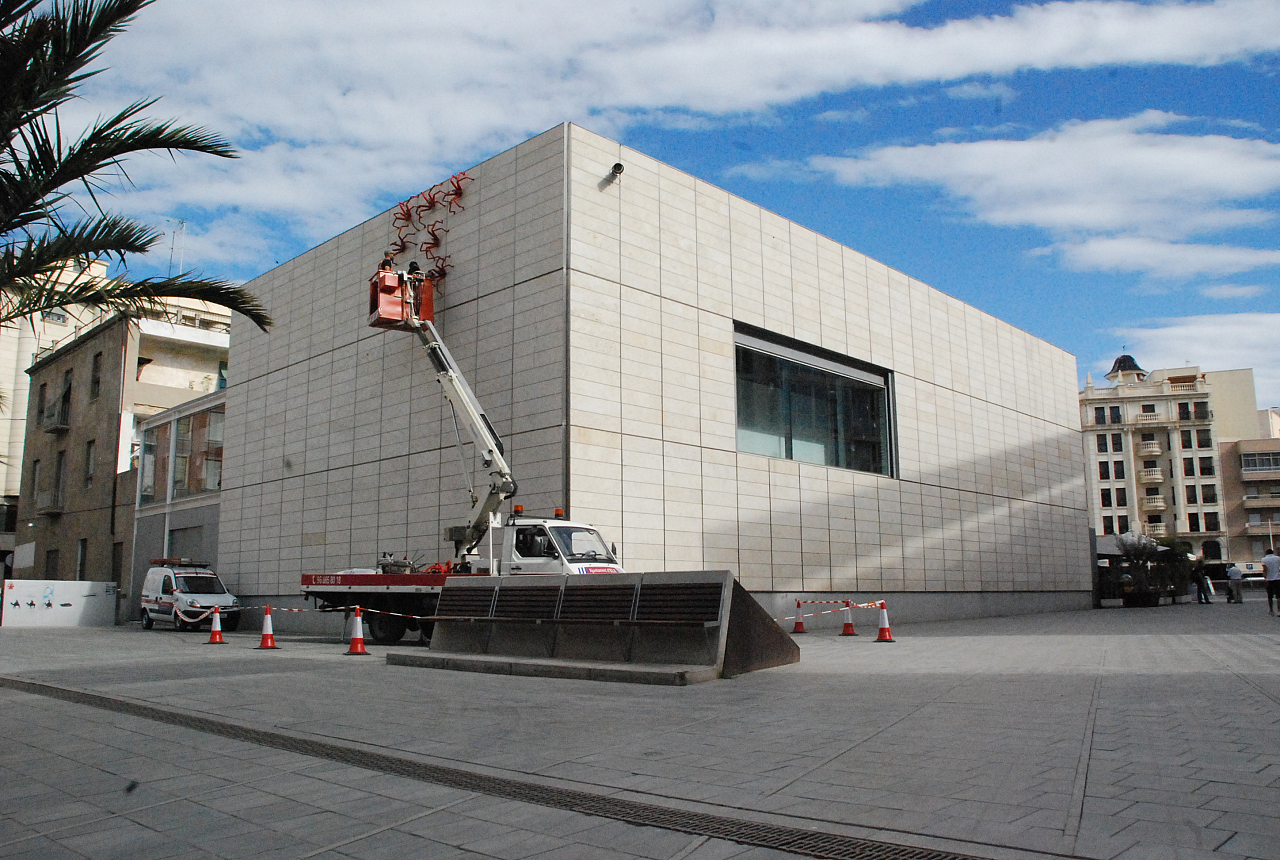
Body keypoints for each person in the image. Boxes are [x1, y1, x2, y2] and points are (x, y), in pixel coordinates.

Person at [1263, 549, 1280, 615]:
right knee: (1278, 596)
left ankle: (1271, 610)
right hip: (1277, 579)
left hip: (1269, 579)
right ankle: (1279, 611)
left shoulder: (1264, 559)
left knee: (1270, 596)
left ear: (1266, 553)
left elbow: (1265, 569)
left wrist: (1265, 577)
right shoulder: (1278, 558)